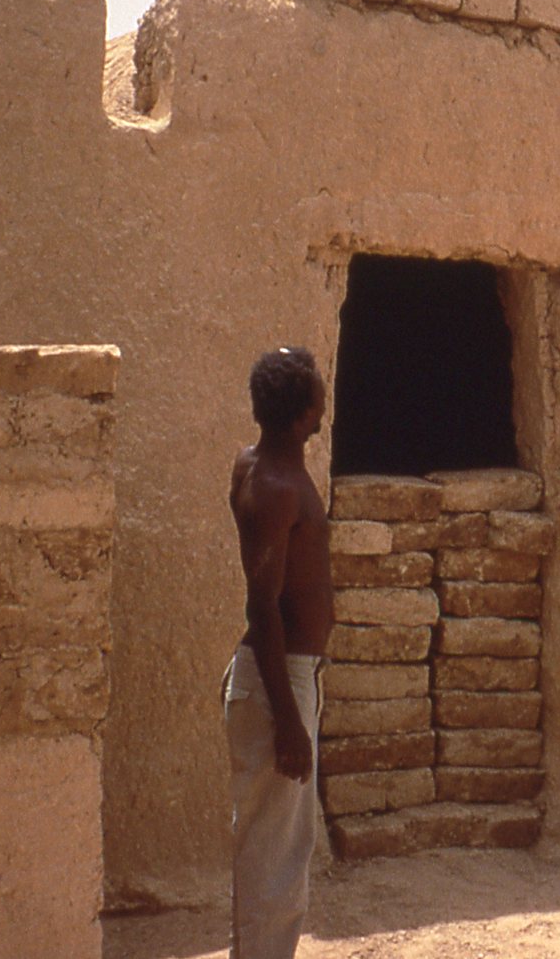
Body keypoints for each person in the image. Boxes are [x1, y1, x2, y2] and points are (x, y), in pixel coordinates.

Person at [224, 346, 333, 959]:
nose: (324, 392)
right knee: (274, 859)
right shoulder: (275, 485)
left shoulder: (260, 466)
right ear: (303, 415)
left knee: (278, 850)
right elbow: (262, 606)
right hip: (278, 681)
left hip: (284, 676)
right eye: (316, 387)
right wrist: (288, 719)